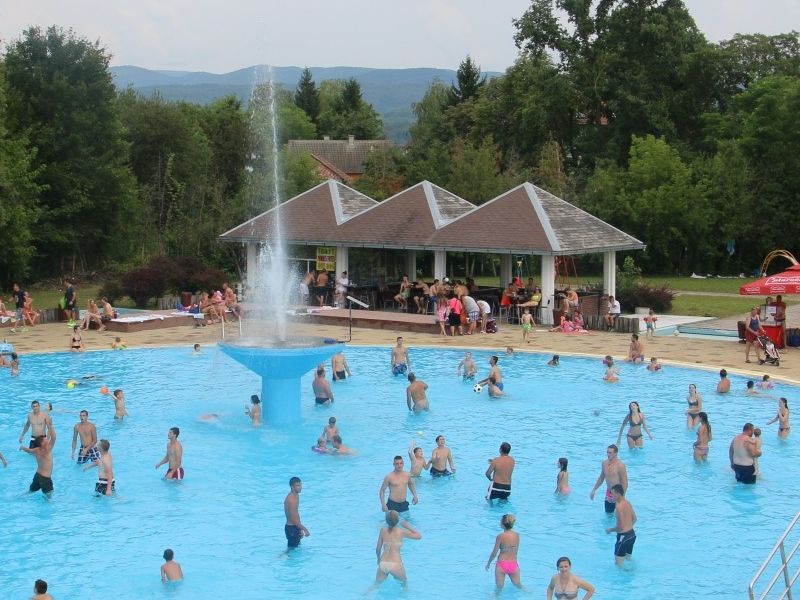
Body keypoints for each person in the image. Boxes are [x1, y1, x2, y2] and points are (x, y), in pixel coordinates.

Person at [373, 510, 421, 589]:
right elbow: (419, 536)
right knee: (404, 585)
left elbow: (378, 549)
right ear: (397, 521)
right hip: (395, 564)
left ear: (386, 520)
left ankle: (364, 595)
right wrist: (407, 526)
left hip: (383, 563)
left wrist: (378, 560)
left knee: (375, 585)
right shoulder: (401, 532)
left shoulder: (382, 531)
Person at [485, 514, 522, 590]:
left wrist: (488, 563)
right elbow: (516, 550)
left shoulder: (500, 536)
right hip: (513, 564)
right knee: (519, 586)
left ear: (503, 524)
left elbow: (494, 553)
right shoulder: (517, 535)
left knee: (498, 590)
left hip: (501, 564)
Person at [604, 484, 637, 568]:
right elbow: (635, 519)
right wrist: (628, 528)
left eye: (612, 493)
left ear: (618, 494)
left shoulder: (618, 507)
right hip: (632, 535)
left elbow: (621, 527)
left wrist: (610, 530)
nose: (611, 495)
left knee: (619, 566)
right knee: (628, 561)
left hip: (623, 538)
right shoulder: (628, 502)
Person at [589, 444, 628, 513]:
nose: (608, 454)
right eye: (607, 452)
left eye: (610, 453)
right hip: (609, 493)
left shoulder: (620, 465)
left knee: (618, 515)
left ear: (615, 453)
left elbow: (625, 483)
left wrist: (622, 497)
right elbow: (601, 478)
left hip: (618, 494)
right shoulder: (604, 463)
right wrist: (594, 490)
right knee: (608, 514)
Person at [20, 426, 57, 498]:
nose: (46, 438)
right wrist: (50, 426)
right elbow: (53, 438)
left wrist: (23, 448)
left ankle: (19, 497)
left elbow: (28, 450)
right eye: (44, 439)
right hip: (45, 479)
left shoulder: (36, 450)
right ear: (42, 443)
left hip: (37, 476)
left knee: (30, 492)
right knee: (49, 498)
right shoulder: (47, 450)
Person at [284, 476, 310, 548]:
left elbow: (296, 513)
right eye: (298, 485)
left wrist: (300, 528)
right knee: (290, 551)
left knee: (295, 549)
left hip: (295, 527)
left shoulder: (296, 495)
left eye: (300, 485)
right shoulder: (291, 500)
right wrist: (305, 529)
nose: (301, 487)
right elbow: (293, 520)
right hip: (291, 529)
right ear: (292, 487)